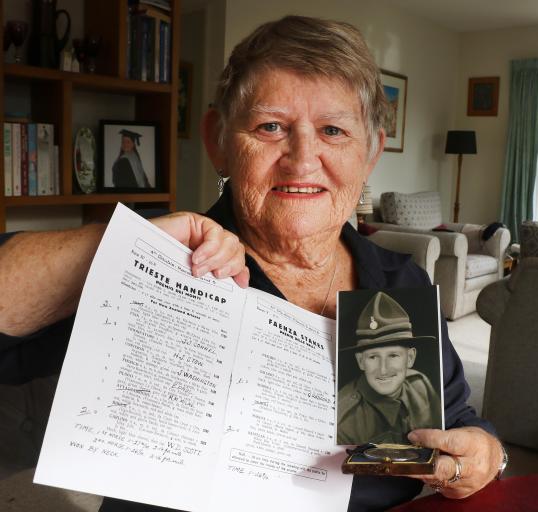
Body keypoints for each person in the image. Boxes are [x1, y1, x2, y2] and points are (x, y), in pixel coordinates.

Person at [0, 15, 505, 511]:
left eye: (333, 130)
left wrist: (486, 455)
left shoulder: (400, 283)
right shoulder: (170, 262)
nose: (302, 159)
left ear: (369, 153)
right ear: (219, 140)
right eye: (270, 126)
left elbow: (456, 419)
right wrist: (120, 250)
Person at [337, 291, 441, 445]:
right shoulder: (343, 419)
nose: (383, 370)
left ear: (410, 358)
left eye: (393, 355)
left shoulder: (420, 385)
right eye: (373, 357)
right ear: (360, 361)